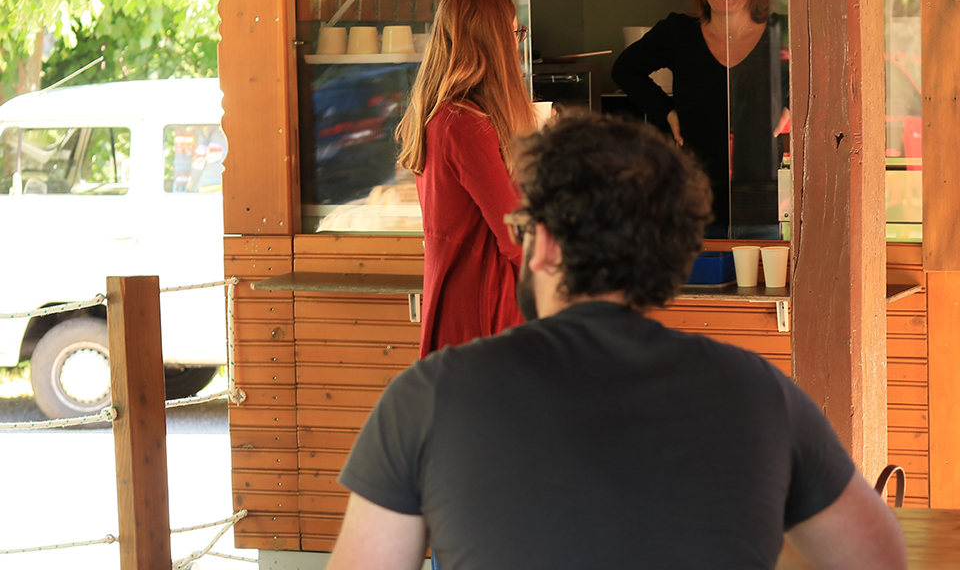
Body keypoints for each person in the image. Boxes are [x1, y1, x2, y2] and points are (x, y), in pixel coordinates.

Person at [326, 114, 906, 570]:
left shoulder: (428, 397)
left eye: (522, 229)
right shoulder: (760, 394)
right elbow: (877, 558)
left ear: (545, 244)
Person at [612, 0, 789, 239]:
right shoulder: (679, 32)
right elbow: (625, 69)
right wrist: (666, 111)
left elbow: (824, 77)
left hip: (766, 207)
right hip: (696, 206)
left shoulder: (781, 31)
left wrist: (790, 107)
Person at [396, 0, 536, 359]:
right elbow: (514, 233)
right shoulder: (465, 123)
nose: (517, 44)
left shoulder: (448, 116)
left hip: (466, 300)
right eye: (514, 33)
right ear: (494, 42)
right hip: (484, 305)